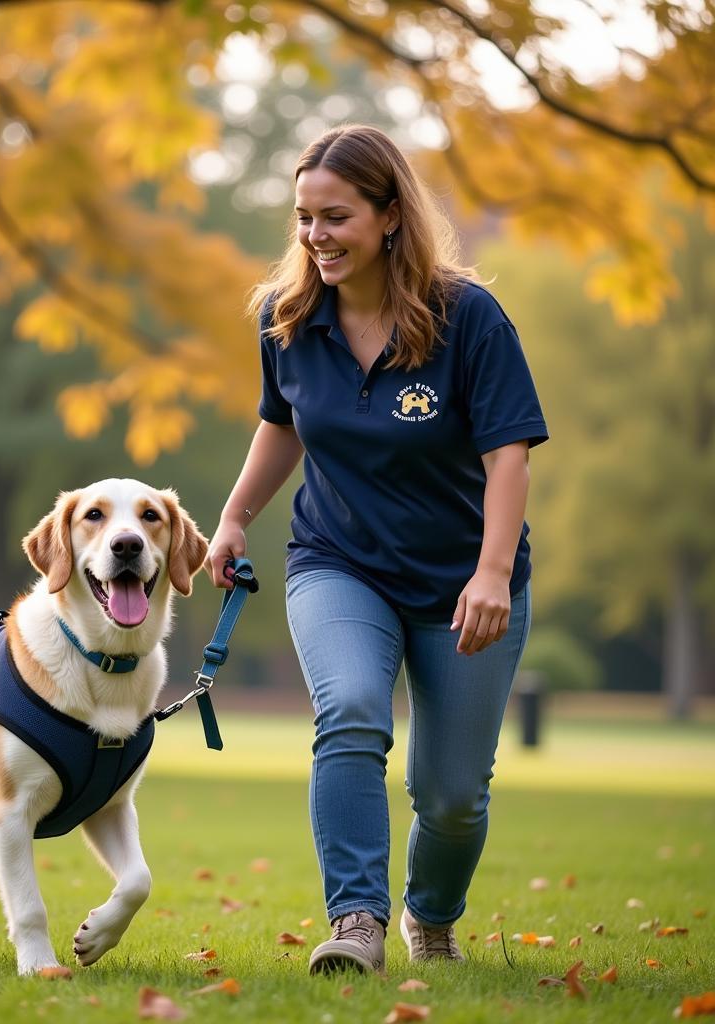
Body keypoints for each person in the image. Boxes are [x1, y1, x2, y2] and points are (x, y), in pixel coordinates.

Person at [206, 124, 548, 977]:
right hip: (338, 562)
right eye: (303, 218)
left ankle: (428, 918)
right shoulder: (285, 318)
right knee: (351, 708)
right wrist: (236, 515)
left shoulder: (467, 316)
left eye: (336, 216)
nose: (316, 236)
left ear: (390, 215)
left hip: (464, 579)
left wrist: (494, 573)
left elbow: (509, 451)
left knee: (453, 796)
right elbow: (281, 425)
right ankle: (355, 921)